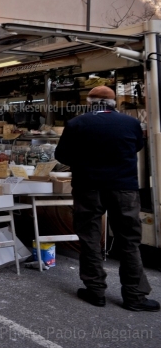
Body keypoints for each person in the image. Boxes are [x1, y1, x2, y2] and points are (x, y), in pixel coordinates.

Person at [55, 86, 158, 312]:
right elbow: (137, 147)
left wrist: (84, 161)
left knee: (90, 238)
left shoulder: (77, 123)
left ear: (90, 102)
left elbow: (61, 155)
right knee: (129, 241)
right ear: (115, 103)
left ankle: (95, 291)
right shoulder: (131, 123)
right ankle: (135, 296)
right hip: (125, 189)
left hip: (88, 188)